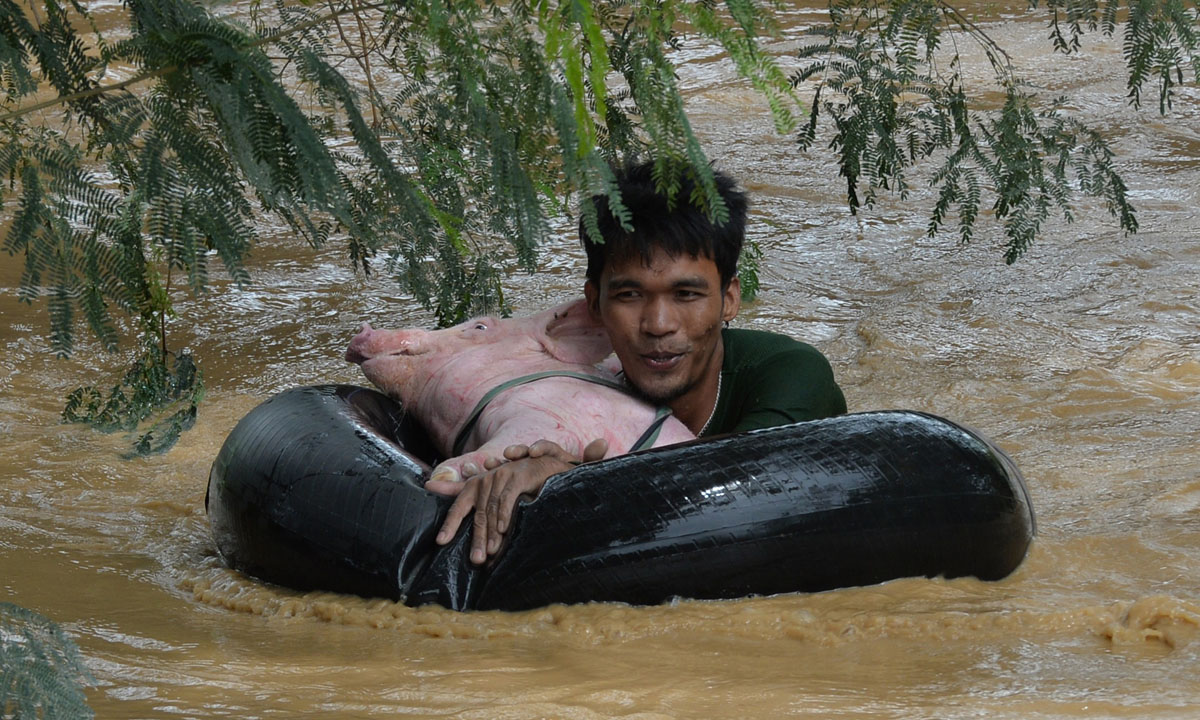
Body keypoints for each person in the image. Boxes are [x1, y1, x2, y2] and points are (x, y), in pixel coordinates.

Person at [425, 160, 847, 564]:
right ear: (594, 305)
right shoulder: (584, 396)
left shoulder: (791, 373)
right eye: (630, 295)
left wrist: (567, 476)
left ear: (729, 299)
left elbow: (737, 487)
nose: (658, 325)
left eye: (687, 295)